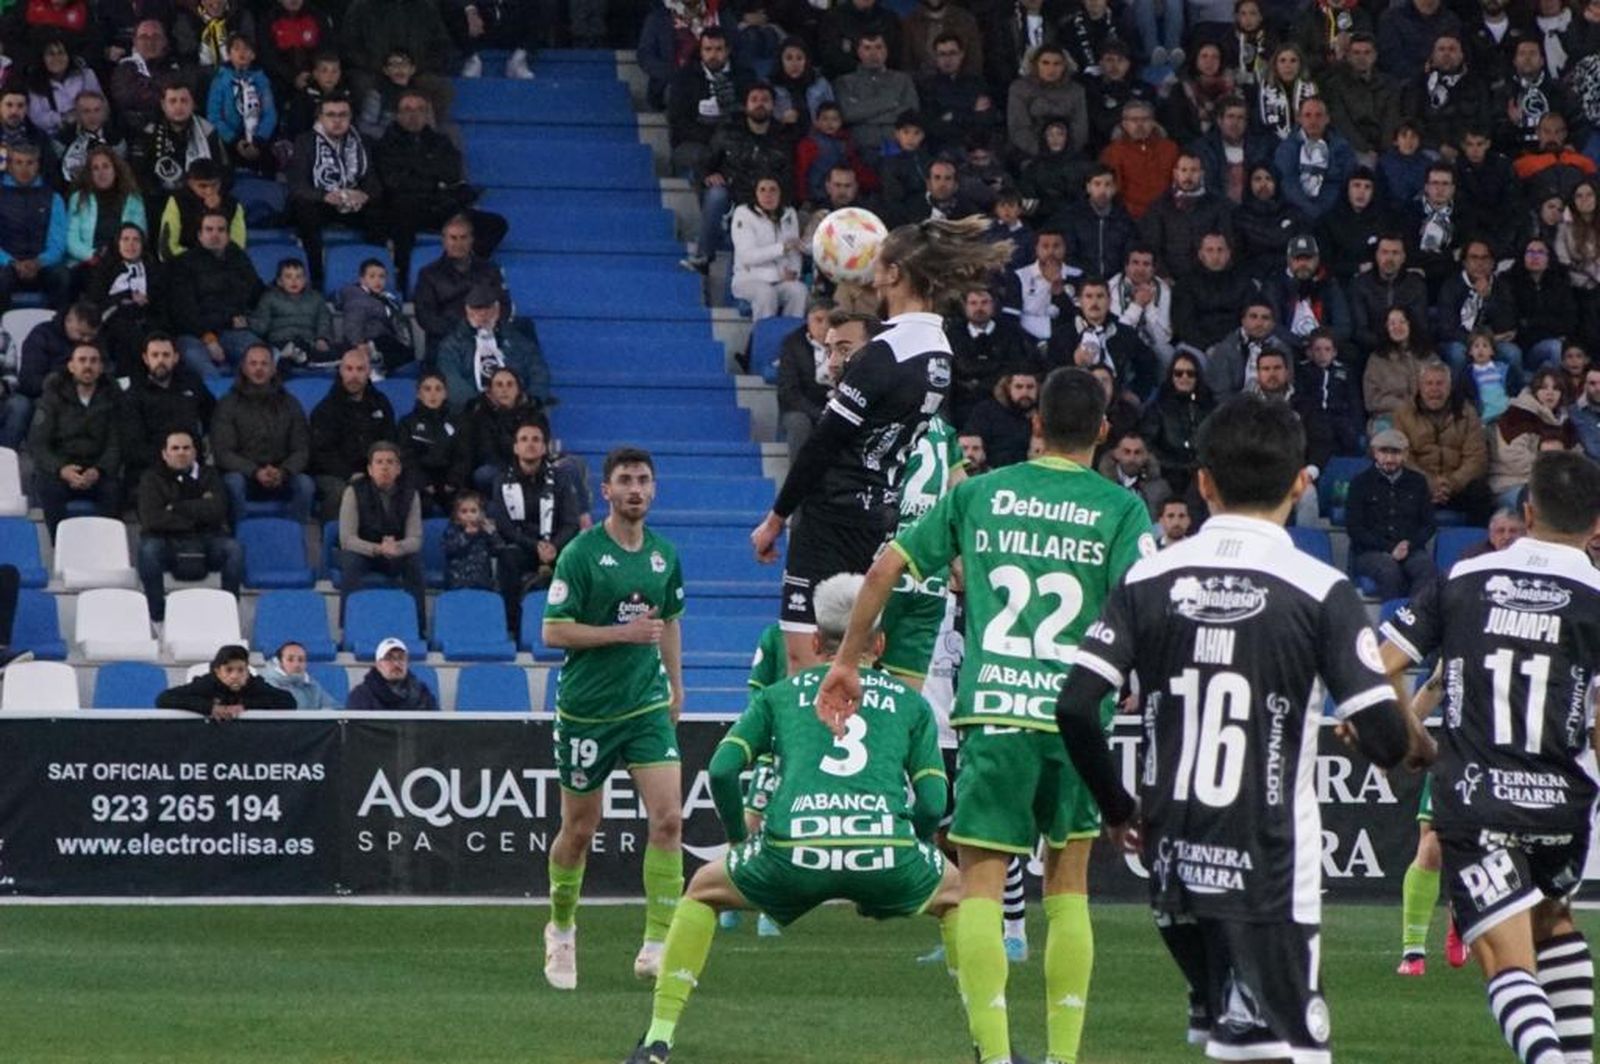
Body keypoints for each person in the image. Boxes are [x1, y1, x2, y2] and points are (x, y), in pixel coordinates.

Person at [1054, 393, 1426, 1064]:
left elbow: (1076, 706)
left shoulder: (1149, 577)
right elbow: (1385, 737)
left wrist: (1116, 808)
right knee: (1289, 1051)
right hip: (1268, 862)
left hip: (1173, 857)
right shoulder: (1319, 588)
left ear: (1203, 483)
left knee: (1238, 1044)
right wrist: (1401, 734)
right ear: (1300, 483)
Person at [816, 367, 1155, 1064]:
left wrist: (847, 660)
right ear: (1102, 431)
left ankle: (996, 1056)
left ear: (1035, 427)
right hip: (1075, 720)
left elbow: (884, 570)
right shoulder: (1121, 509)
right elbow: (1147, 596)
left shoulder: (979, 492)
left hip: (995, 711)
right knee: (1068, 888)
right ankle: (1063, 1058)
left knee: (980, 886)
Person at [623, 572, 960, 1064]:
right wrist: (913, 846)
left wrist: (740, 840)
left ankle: (657, 1040)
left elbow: (721, 770)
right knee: (964, 901)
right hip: (886, 851)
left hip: (789, 853)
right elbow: (933, 800)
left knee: (701, 890)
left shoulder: (780, 695)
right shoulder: (910, 703)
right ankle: (993, 1049)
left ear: (817, 640)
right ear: (881, 642)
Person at [1378, 450, 1600, 1064]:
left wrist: (1415, 741)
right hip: (1562, 806)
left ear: (1526, 512)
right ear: (1597, 526)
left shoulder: (1464, 579)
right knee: (1553, 922)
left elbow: (1384, 666)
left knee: (1505, 956)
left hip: (1478, 799)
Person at [749, 216, 1008, 674]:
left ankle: (810, 744)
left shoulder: (885, 353)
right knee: (857, 658)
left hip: (831, 515)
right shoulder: (939, 350)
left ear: (893, 274)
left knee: (806, 659)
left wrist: (775, 518)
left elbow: (823, 443)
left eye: (879, 261)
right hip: (878, 517)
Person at [541, 447, 687, 990]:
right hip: (587, 711)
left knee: (669, 819)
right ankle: (560, 929)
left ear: (653, 489)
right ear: (606, 490)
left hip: (646, 704)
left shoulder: (664, 555)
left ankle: (657, 943)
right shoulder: (581, 554)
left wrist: (677, 685)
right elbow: (553, 631)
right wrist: (620, 635)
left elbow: (668, 622)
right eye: (625, 480)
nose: (635, 489)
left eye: (644, 480)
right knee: (580, 829)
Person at [374, 89, 506, 291]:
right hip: (404, 208)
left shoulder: (441, 142)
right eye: (407, 110)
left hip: (440, 206)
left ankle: (469, 270)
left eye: (420, 109)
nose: (413, 114)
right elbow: (393, 182)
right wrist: (434, 181)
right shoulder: (384, 145)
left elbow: (451, 174)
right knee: (403, 213)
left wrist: (420, 175)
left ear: (427, 114)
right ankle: (403, 281)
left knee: (495, 224)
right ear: (397, 114)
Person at [488, 416, 585, 630]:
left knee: (576, 558)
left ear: (544, 447)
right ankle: (512, 627)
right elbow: (504, 525)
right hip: (522, 547)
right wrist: (535, 546)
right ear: (515, 447)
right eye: (524, 439)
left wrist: (553, 546)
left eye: (535, 439)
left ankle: (571, 624)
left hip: (555, 546)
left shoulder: (560, 479)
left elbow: (571, 522)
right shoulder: (502, 480)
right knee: (507, 558)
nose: (530, 444)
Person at [135, 429, 241, 623]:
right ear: (165, 454)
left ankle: (229, 612)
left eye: (186, 448)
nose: (181, 452)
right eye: (175, 448)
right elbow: (152, 519)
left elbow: (217, 511)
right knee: (148, 551)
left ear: (194, 452)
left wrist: (175, 507)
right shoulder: (150, 478)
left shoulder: (211, 475)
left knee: (233, 549)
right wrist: (197, 515)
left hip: (207, 540)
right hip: (166, 541)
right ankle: (157, 616)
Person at [211, 343, 314, 525]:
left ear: (273, 369)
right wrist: (254, 471)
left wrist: (284, 472)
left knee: (305, 485)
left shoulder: (290, 403)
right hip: (244, 476)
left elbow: (302, 449)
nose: (259, 368)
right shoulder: (227, 404)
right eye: (253, 363)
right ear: (243, 368)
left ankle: (293, 537)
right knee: (233, 484)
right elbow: (223, 453)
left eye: (264, 364)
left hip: (281, 475)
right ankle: (240, 538)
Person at [288, 94, 383, 291]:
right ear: (320, 118)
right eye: (331, 115)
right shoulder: (305, 142)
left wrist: (364, 195)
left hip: (354, 202)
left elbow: (374, 181)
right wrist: (324, 196)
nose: (337, 120)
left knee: (380, 212)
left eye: (343, 115)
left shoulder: (364, 142)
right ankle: (316, 279)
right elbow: (297, 185)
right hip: (320, 202)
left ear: (350, 117)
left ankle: (375, 277)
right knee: (304, 211)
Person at [28, 342, 120, 535]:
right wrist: (61, 469)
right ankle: (60, 547)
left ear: (101, 367)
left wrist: (99, 470)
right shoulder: (52, 397)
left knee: (114, 491)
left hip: (97, 470)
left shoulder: (113, 398)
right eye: (82, 360)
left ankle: (107, 549)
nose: (88, 365)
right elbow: (38, 443)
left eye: (94, 361)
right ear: (71, 366)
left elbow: (115, 442)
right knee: (48, 489)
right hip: (61, 469)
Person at [338, 441, 426, 630]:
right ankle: (347, 628)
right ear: (370, 469)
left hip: (396, 551)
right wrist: (377, 549)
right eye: (379, 462)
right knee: (350, 564)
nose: (384, 467)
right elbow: (347, 539)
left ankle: (419, 628)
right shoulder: (353, 491)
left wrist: (397, 548)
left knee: (414, 563)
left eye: (390, 462)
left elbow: (416, 538)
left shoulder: (411, 494)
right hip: (364, 552)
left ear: (399, 468)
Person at [1395, 359, 1493, 525]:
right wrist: (1429, 483)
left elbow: (1476, 458)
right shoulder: (1404, 413)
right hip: (1420, 485)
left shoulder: (1467, 413)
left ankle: (1476, 547)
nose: (1434, 389)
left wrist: (1452, 483)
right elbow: (1403, 456)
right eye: (1429, 383)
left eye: (1440, 383)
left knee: (1481, 493)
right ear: (1420, 386)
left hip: (1456, 486)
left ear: (1449, 387)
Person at [169, 209, 264, 378]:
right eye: (209, 229)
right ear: (199, 235)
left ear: (228, 235)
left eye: (221, 230)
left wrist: (247, 318)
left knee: (263, 358)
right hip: (194, 334)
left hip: (232, 331)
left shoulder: (239, 259)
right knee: (205, 370)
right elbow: (183, 310)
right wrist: (208, 338)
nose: (215, 235)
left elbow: (256, 292)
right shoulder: (183, 263)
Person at [1346, 429, 1439, 600]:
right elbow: (1354, 528)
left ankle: (1417, 622)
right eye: (1384, 452)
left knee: (1427, 569)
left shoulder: (1418, 482)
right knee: (1389, 571)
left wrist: (1409, 545)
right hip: (1371, 552)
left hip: (1410, 548)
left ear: (1405, 454)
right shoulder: (1360, 483)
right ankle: (1391, 623)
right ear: (1374, 453)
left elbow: (1429, 524)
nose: (1389, 459)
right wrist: (1389, 548)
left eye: (1395, 453)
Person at [309, 346, 397, 519]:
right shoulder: (325, 409)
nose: (354, 375)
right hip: (334, 473)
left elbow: (389, 441)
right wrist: (349, 474)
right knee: (340, 492)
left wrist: (377, 471)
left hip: (374, 469)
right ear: (340, 371)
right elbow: (322, 454)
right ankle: (334, 540)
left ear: (368, 372)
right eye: (349, 369)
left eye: (360, 369)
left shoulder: (381, 403)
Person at [120, 331, 213, 493]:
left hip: (192, 465)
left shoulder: (191, 383)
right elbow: (133, 445)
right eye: (155, 355)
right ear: (145, 359)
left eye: (166, 355)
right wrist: (169, 461)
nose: (161, 360)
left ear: (175, 357)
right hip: (150, 469)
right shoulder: (134, 394)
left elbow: (213, 415)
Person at [436, 283, 549, 412]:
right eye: (477, 308)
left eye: (488, 308)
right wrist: (477, 403)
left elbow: (538, 371)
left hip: (517, 409)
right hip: (473, 413)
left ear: (497, 309)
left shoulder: (517, 339)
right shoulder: (452, 345)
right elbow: (451, 378)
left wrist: (531, 399)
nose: (483, 314)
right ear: (467, 310)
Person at [411, 214, 507, 357]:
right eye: (453, 238)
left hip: (486, 336)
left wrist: (485, 329)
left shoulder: (490, 270)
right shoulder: (428, 274)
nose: (458, 243)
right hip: (446, 341)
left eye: (463, 237)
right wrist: (462, 333)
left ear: (472, 240)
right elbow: (426, 316)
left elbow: (504, 305)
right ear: (444, 240)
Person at [1490, 367, 1582, 508]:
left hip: (1555, 485)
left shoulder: (1566, 422)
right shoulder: (1517, 415)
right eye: (1544, 387)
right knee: (1546, 506)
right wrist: (1554, 471)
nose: (1550, 393)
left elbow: (1578, 458)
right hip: (1514, 483)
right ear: (1534, 390)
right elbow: (1513, 458)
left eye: (1556, 388)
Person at [130, 81, 228, 212]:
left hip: (201, 202)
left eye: (184, 101)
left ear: (193, 104)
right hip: (160, 202)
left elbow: (225, 172)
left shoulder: (208, 132)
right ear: (163, 105)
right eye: (173, 101)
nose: (178, 106)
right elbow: (139, 173)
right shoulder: (149, 133)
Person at [945, 287, 1033, 429]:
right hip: (962, 402)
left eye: (984, 302)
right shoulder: (953, 333)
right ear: (965, 306)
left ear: (993, 305)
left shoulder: (1011, 332)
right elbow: (957, 366)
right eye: (973, 303)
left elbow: (1015, 365)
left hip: (1001, 401)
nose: (979, 308)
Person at [0, 142, 70, 311]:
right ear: (9, 165)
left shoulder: (53, 198)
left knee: (63, 277)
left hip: (42, 264)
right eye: (18, 162)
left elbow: (58, 242)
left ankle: (57, 328)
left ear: (38, 165)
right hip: (7, 264)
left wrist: (39, 262)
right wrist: (12, 262)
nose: (24, 169)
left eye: (30, 163)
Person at [86, 223, 162, 377]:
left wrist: (145, 302)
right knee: (127, 331)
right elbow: (95, 301)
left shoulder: (153, 270)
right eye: (125, 239)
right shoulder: (105, 269)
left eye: (136, 240)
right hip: (112, 322)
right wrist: (126, 296)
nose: (131, 244)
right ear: (117, 243)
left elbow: (160, 301)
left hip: (146, 319)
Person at [729, 176, 806, 320]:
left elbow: (795, 252)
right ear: (755, 193)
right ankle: (764, 338)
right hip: (749, 279)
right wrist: (781, 249)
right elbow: (747, 256)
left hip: (780, 280)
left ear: (781, 193)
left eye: (773, 190)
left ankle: (790, 337)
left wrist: (794, 272)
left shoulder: (789, 213)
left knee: (799, 290)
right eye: (762, 190)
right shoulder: (743, 214)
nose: (767, 195)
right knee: (766, 293)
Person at [1140, 350, 1213, 497]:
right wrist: (1174, 465)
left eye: (1190, 373)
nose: (1184, 377)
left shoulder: (1209, 406)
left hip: (1203, 473)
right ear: (1171, 376)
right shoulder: (1158, 407)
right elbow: (1148, 443)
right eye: (1178, 373)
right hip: (1167, 474)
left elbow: (1216, 441)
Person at [834, 33, 919, 159]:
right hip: (860, 149)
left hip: (898, 148)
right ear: (859, 52)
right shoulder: (845, 82)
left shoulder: (902, 79)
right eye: (867, 48)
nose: (873, 53)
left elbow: (912, 112)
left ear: (886, 51)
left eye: (879, 47)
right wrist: (891, 103)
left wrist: (864, 112)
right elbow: (848, 114)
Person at [64, 145, 146, 270]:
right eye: (95, 168)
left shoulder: (133, 199)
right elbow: (71, 238)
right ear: (89, 174)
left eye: (106, 166)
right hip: (87, 261)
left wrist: (121, 257)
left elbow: (140, 234)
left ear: (116, 169)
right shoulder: (79, 198)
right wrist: (91, 255)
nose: (101, 173)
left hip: (123, 261)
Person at [1273, 96, 1354, 222]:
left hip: (1333, 213)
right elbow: (1288, 183)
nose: (1313, 120)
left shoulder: (1341, 148)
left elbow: (1341, 182)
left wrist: (1321, 209)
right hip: (1294, 212)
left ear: (1327, 119)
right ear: (1299, 118)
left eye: (1318, 115)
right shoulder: (1287, 148)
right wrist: (1310, 209)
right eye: (1308, 115)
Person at [157, 644, 297, 716]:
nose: (235, 676)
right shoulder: (207, 684)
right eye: (229, 670)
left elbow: (289, 701)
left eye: (241, 670)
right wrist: (209, 708)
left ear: (247, 670)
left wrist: (245, 705)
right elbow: (164, 698)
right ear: (218, 671)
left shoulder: (254, 684)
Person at [206, 33, 277, 173]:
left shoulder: (261, 81)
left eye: (246, 49)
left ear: (253, 55)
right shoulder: (220, 81)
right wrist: (234, 140)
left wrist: (259, 140)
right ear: (229, 54)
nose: (241, 53)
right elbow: (213, 115)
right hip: (230, 141)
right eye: (236, 48)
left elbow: (270, 113)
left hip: (258, 140)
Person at [1098, 100, 1179, 219]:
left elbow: (1179, 185)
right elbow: (1113, 193)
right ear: (1124, 124)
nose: (1140, 125)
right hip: (1128, 218)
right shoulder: (1112, 152)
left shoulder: (1170, 149)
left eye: (1145, 119)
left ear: (1153, 123)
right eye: (1134, 120)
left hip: (1168, 216)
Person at [249, 257, 334, 367]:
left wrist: (321, 338)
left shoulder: (316, 298)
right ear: (279, 281)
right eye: (288, 277)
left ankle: (298, 358)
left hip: (308, 342)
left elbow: (324, 320)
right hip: (280, 341)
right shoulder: (269, 298)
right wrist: (248, 322)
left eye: (299, 277)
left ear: (305, 280)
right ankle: (294, 358)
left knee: (342, 350)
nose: (294, 281)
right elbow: (261, 324)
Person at [155, 158, 245, 262]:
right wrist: (200, 261)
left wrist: (218, 210)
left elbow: (238, 247)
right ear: (190, 183)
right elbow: (167, 249)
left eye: (214, 185)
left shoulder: (232, 205)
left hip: (221, 267)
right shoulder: (177, 202)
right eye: (203, 186)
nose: (209, 191)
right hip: (184, 267)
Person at [336, 258, 415, 374]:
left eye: (381, 277)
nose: (377, 281)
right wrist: (358, 344)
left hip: (384, 337)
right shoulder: (357, 298)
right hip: (368, 340)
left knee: (405, 353)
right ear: (362, 280)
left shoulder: (387, 298)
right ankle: (376, 366)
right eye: (372, 277)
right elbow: (353, 323)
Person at [397, 370, 459, 516]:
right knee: (420, 505)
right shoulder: (406, 423)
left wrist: (453, 481)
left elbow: (463, 455)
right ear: (419, 394)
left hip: (451, 483)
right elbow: (406, 457)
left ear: (446, 394)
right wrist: (423, 483)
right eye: (427, 389)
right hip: (420, 484)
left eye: (438, 389)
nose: (433, 394)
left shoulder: (458, 422)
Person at [347, 636, 440, 710]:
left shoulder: (422, 694)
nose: (396, 663)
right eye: (389, 658)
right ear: (378, 665)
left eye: (401, 658)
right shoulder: (361, 695)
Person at [442, 489, 500, 590]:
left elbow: (498, 547)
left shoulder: (484, 530)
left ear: (481, 513)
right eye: (464, 511)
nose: (469, 515)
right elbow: (448, 549)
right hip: (457, 581)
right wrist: (466, 536)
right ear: (456, 515)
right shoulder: (452, 530)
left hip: (482, 581)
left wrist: (491, 532)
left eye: (473, 511)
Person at [261, 640, 340, 709]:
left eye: (301, 660)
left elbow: (335, 708)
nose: (296, 664)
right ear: (280, 663)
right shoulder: (266, 685)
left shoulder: (313, 686)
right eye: (290, 659)